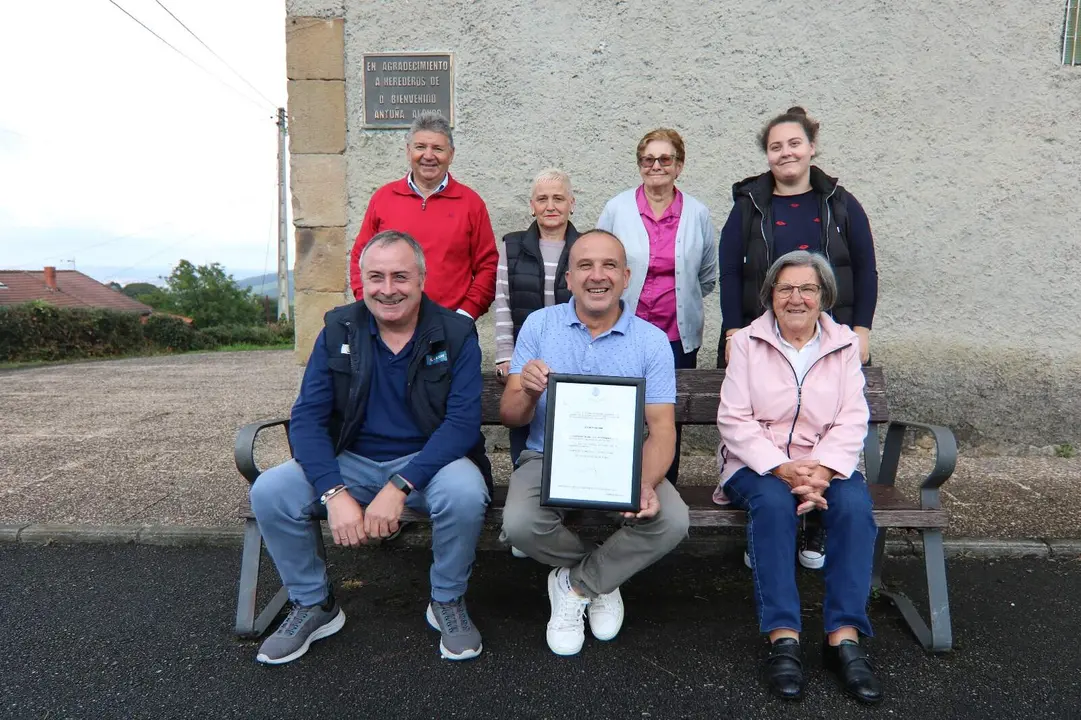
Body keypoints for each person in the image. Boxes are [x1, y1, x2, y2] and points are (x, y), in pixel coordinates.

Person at [249, 230, 491, 665]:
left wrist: (399, 485)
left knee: (465, 493)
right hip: (351, 462)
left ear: (421, 278)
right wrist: (333, 492)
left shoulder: (455, 333)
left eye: (400, 276)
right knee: (270, 490)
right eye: (375, 277)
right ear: (361, 280)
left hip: (430, 463)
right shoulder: (338, 327)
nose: (387, 289)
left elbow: (461, 425)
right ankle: (314, 604)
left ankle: (446, 600)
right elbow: (307, 419)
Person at [500, 228, 690, 657]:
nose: (596, 275)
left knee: (672, 519)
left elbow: (661, 429)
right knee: (520, 524)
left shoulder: (651, 341)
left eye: (608, 266)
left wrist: (642, 483)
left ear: (625, 277)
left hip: (620, 463)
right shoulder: (539, 325)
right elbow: (510, 415)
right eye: (585, 265)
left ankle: (578, 584)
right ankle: (604, 575)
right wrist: (527, 391)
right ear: (568, 278)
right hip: (545, 457)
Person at [716, 107, 879, 569]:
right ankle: (768, 529)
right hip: (762, 339)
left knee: (821, 429)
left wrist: (861, 328)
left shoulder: (840, 203)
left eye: (794, 144)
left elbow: (865, 268)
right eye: (775, 146)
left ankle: (815, 529)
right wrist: (732, 328)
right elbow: (730, 270)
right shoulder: (750, 204)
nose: (785, 153)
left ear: (811, 148)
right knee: (772, 428)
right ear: (766, 156)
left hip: (830, 337)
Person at [716, 250, 882, 705]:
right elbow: (733, 419)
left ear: (823, 296)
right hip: (758, 464)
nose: (796, 298)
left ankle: (843, 638)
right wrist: (782, 468)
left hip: (827, 464)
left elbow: (852, 418)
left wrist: (823, 471)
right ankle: (783, 638)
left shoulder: (843, 344)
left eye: (807, 289)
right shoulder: (747, 342)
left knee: (854, 507)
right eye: (786, 288)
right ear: (770, 294)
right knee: (771, 504)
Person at [597, 127, 717, 485]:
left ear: (679, 165)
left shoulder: (697, 213)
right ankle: (613, 489)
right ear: (639, 165)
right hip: (622, 332)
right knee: (618, 418)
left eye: (665, 159)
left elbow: (706, 276)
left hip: (676, 339)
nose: (656, 166)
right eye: (648, 160)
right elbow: (599, 263)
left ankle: (663, 491)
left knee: (668, 420)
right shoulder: (617, 208)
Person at [348, 111, 498, 321]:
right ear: (408, 151)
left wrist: (466, 314)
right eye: (420, 147)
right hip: (389, 324)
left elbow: (488, 266)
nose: (428, 156)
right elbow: (359, 258)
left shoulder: (471, 204)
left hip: (449, 325)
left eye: (438, 148)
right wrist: (369, 304)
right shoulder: (383, 199)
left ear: (451, 155)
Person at [494, 168, 581, 466]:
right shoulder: (512, 246)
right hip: (524, 354)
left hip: (570, 354)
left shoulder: (583, 248)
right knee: (522, 423)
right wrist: (506, 357)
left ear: (572, 202)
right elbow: (503, 302)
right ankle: (525, 481)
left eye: (558, 198)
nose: (550, 206)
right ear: (531, 205)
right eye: (542, 199)